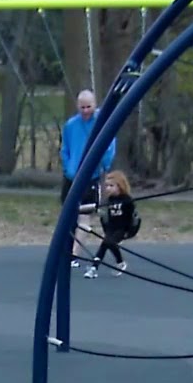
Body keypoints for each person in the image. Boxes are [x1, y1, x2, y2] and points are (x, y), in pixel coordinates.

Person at [60, 89, 117, 268]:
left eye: (88, 106)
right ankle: (67, 251)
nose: (85, 111)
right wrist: (69, 168)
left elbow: (109, 146)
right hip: (72, 176)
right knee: (69, 216)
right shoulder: (71, 125)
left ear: (95, 104)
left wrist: (102, 165)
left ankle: (74, 255)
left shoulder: (101, 122)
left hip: (90, 177)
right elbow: (65, 149)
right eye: (82, 107)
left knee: (84, 217)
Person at [83, 170, 138, 279]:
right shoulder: (110, 199)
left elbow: (133, 218)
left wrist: (128, 232)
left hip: (122, 228)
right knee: (106, 244)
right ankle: (116, 263)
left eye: (111, 185)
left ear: (120, 186)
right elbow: (105, 215)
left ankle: (95, 267)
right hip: (111, 228)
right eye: (107, 186)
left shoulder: (127, 200)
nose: (108, 188)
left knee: (107, 243)